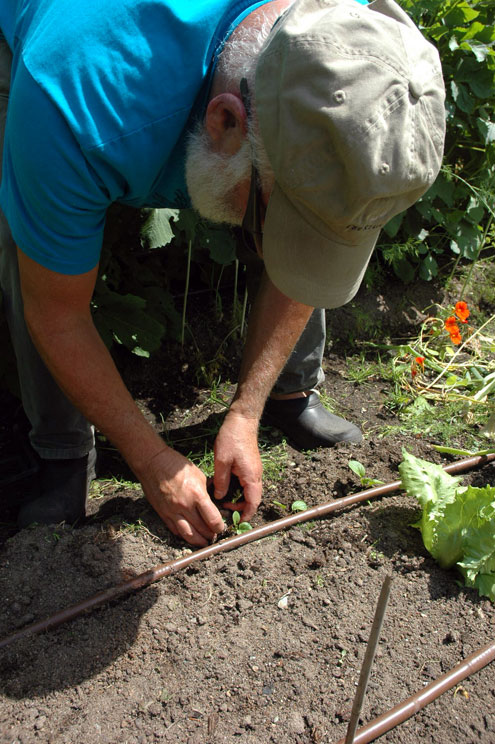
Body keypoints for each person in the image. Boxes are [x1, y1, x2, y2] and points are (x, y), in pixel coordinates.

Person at [0, 0, 445, 545]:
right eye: (280, 226)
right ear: (226, 122)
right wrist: (154, 461)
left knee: (290, 210)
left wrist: (245, 411)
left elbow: (315, 205)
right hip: (54, 39)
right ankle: (63, 454)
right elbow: (56, 310)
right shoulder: (70, 98)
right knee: (32, 246)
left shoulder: (346, 52)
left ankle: (287, 394)